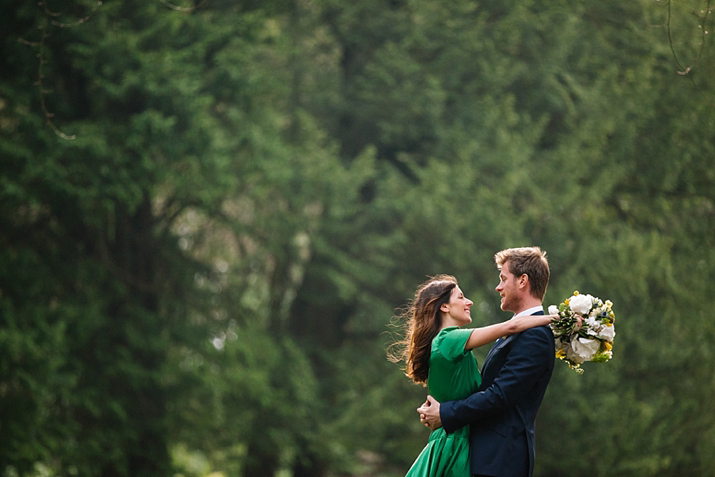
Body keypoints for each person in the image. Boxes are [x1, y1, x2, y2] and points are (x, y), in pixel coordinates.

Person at [388, 272, 555, 477]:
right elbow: (511, 326)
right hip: (454, 443)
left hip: (457, 438)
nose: (469, 302)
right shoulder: (449, 340)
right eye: (460, 297)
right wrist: (557, 320)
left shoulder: (447, 345)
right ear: (444, 306)